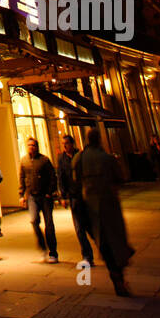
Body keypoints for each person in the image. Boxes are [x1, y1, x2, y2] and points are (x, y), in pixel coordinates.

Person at [73, 127, 135, 296]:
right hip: (109, 204)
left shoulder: (80, 158)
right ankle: (119, 276)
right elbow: (121, 177)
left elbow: (75, 179)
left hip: (89, 206)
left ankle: (115, 274)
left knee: (103, 242)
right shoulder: (107, 158)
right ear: (99, 140)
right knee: (115, 240)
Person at [19, 137, 58, 262]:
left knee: (49, 224)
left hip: (45, 196)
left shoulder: (44, 160)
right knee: (34, 221)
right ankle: (43, 248)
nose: (31, 147)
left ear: (37, 146)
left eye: (33, 145)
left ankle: (53, 252)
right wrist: (21, 195)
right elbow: (22, 178)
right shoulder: (24, 161)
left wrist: (50, 192)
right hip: (32, 196)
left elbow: (53, 177)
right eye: (29, 145)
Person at [57, 134, 93, 265]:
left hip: (85, 195)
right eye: (63, 144)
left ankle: (103, 249)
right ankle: (87, 255)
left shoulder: (81, 156)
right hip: (73, 197)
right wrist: (63, 196)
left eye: (66, 143)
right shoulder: (61, 159)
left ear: (72, 143)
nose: (65, 146)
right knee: (79, 228)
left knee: (90, 226)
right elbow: (60, 178)